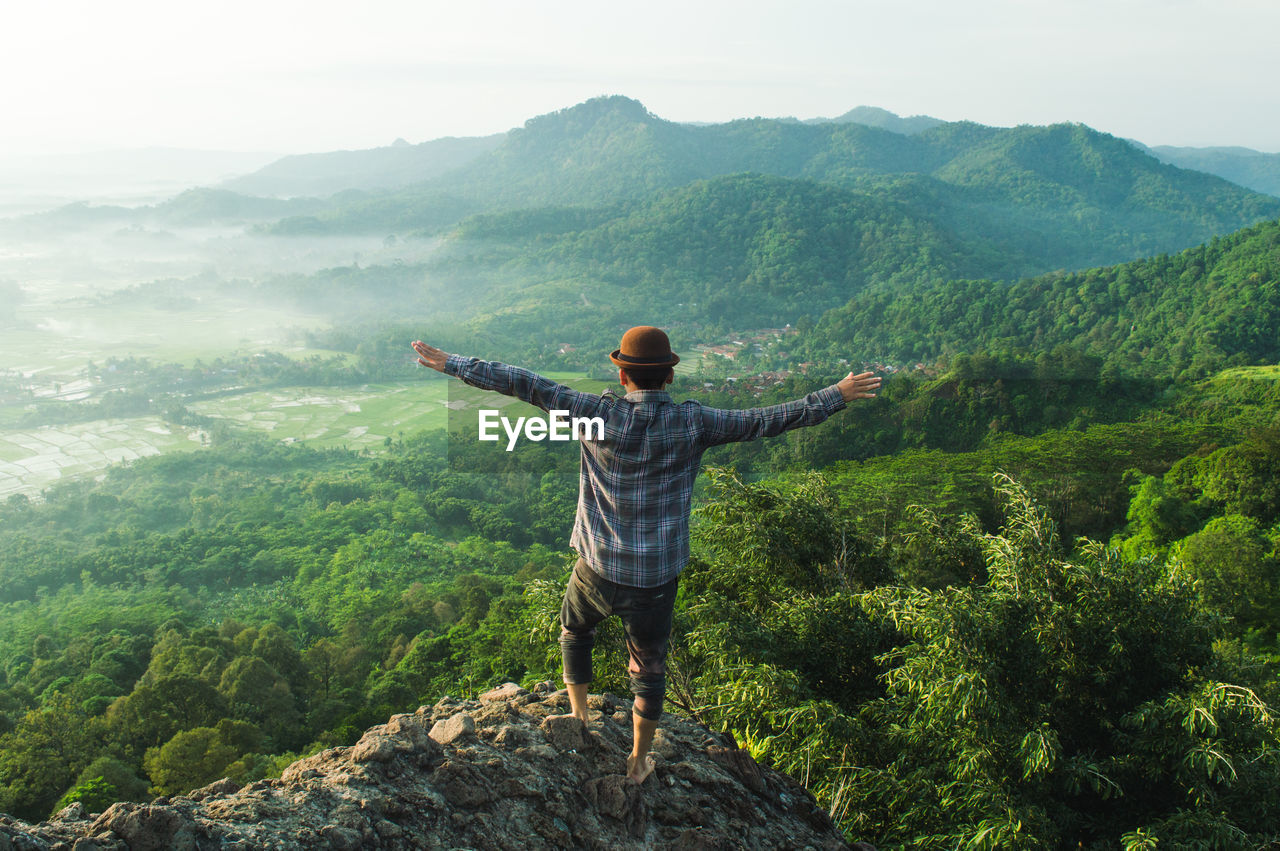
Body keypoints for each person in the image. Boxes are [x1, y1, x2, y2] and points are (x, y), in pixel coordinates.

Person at [411, 327, 880, 785]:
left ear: (622, 377)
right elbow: (768, 418)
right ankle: (637, 761)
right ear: (669, 377)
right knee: (649, 669)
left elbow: (524, 382)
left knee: (574, 629)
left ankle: (578, 716)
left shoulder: (594, 413)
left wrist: (454, 365)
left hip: (595, 568)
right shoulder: (695, 423)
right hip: (655, 577)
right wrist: (836, 394)